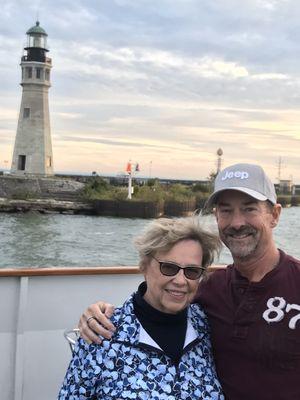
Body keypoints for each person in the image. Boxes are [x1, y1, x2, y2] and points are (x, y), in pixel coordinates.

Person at [79, 163, 300, 400]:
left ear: (274, 215)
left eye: (249, 209)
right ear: (216, 216)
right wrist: (98, 314)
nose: (237, 222)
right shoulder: (208, 290)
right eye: (226, 211)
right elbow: (154, 305)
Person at [58, 217, 224, 399]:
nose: (180, 281)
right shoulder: (102, 333)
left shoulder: (207, 327)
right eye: (168, 267)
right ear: (144, 266)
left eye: (191, 271)